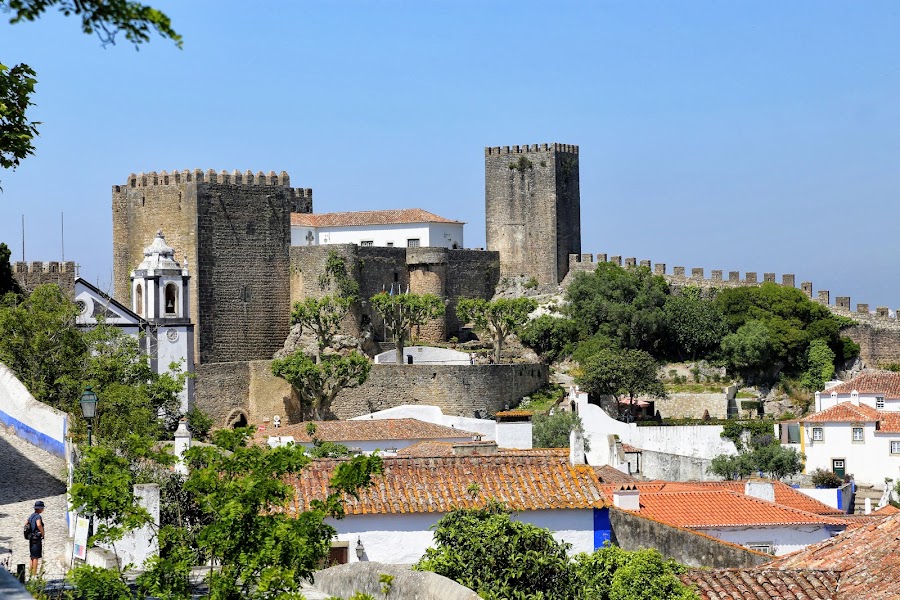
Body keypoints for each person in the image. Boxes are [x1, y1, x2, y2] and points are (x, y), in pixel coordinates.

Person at [27, 500, 45, 576]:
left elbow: (26, 523)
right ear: (40, 508)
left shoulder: (31, 516)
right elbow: (38, 524)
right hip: (36, 538)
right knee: (36, 557)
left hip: (31, 537)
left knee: (32, 556)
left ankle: (30, 573)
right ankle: (34, 574)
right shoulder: (38, 516)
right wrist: (43, 533)